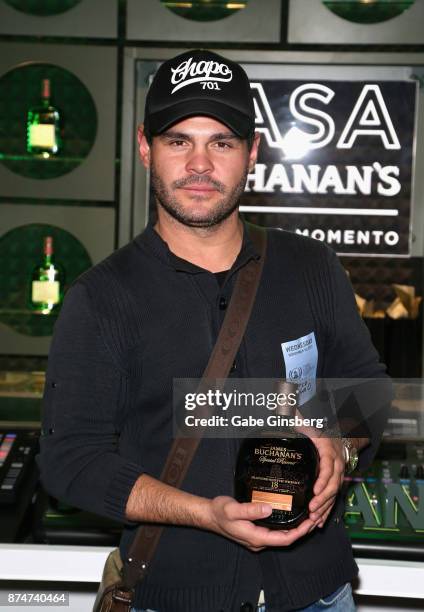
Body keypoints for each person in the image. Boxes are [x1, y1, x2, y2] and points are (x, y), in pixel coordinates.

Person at [38, 50, 389, 612]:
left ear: (251, 153)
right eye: (179, 140)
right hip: (174, 597)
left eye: (221, 142)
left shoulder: (311, 267)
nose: (199, 163)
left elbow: (366, 386)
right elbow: (71, 460)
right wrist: (205, 513)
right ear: (145, 147)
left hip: (318, 593)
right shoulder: (101, 298)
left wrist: (340, 450)